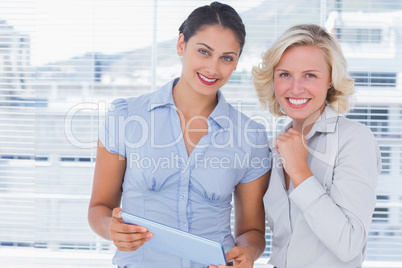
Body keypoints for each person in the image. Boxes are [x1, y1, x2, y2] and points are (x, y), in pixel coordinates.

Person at [88, 2, 270, 268]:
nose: (213, 68)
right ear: (181, 45)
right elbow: (99, 208)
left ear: (236, 63)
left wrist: (247, 253)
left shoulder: (250, 137)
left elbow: (252, 231)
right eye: (204, 52)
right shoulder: (125, 117)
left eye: (227, 58)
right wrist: (110, 229)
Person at [252, 24, 381, 268]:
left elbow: (349, 245)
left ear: (330, 80)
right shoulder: (274, 147)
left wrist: (300, 172)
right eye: (285, 74)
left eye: (310, 75)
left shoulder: (354, 139)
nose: (296, 88)